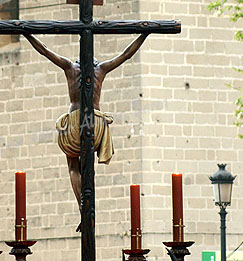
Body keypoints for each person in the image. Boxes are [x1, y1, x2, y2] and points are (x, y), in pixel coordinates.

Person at [21, 32, 150, 230]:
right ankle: (89, 208)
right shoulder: (101, 69)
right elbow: (126, 54)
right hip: (97, 124)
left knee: (73, 165)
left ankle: (84, 208)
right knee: (89, 166)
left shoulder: (69, 67)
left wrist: (26, 33)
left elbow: (44, 50)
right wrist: (145, 33)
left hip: (74, 122)